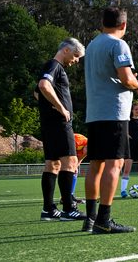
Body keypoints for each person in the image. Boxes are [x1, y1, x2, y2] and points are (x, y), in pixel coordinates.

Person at [83, 7, 138, 234]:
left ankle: (90, 218)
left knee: (95, 164)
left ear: (102, 22)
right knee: (114, 163)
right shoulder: (118, 44)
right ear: (124, 25)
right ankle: (103, 220)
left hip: (95, 113)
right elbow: (126, 78)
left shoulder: (92, 45)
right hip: (114, 113)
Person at [36, 38, 87, 221]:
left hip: (49, 123)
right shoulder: (54, 65)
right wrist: (60, 108)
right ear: (66, 50)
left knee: (53, 164)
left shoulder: (51, 67)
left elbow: (37, 92)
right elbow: (43, 86)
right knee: (71, 162)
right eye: (75, 56)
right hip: (59, 123)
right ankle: (68, 209)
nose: (76, 61)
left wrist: (48, 106)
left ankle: (48, 209)